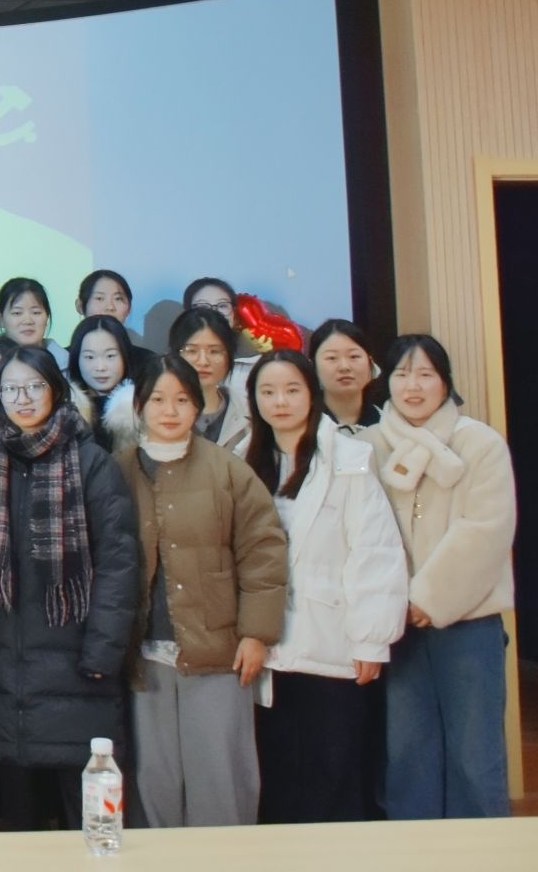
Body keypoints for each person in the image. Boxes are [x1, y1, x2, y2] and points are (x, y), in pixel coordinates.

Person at [0, 345, 138, 831]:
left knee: (87, 818)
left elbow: (118, 561)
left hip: (78, 664)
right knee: (17, 821)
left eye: (34, 386)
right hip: (3, 667)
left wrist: (103, 650)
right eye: (10, 388)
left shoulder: (90, 461)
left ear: (56, 390)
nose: (22, 398)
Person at [116, 354, 286, 828]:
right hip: (142, 657)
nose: (170, 410)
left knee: (219, 777)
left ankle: (225, 859)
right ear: (138, 406)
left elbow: (263, 550)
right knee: (153, 779)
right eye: (157, 399)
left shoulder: (228, 469)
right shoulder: (117, 470)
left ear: (197, 405)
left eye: (182, 399)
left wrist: (256, 633)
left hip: (218, 650)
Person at [240, 350, 406, 823]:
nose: (280, 402)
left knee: (332, 774)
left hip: (331, 641)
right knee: (277, 776)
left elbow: (375, 552)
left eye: (292, 390)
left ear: (312, 394)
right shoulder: (241, 462)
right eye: (268, 392)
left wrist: (371, 638)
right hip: (268, 646)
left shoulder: (349, 459)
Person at [368, 334, 516, 820]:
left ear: (445, 382)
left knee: (475, 755)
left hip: (467, 621)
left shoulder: (480, 443)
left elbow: (486, 530)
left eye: (425, 374)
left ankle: (483, 851)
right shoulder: (369, 446)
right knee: (408, 753)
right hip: (397, 625)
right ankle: (416, 851)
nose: (412, 386)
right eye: (402, 374)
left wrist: (427, 599)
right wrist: (396, 602)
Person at [170, 307, 249, 451]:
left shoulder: (247, 418)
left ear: (229, 356)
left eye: (214, 351)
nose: (203, 361)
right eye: (192, 351)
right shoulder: (154, 413)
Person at [67, 315, 139, 454]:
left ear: (125, 356)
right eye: (89, 357)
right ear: (76, 359)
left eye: (110, 356)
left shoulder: (144, 404)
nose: (100, 367)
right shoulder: (65, 408)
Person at [310, 318, 382, 435]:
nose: (344, 367)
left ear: (370, 362)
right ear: (314, 366)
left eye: (354, 356)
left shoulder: (387, 425)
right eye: (332, 358)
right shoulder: (302, 425)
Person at [0, 277, 59, 357]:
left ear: (47, 317)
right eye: (17, 313)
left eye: (36, 312)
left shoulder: (64, 360)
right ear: (0, 319)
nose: (28, 321)